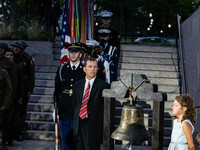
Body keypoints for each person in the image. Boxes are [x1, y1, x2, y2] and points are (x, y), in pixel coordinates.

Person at [73, 57, 109, 150]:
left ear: (97, 69)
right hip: (79, 125)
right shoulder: (77, 85)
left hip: (94, 127)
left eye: (95, 67)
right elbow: (75, 104)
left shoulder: (104, 86)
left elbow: (105, 109)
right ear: (84, 69)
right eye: (90, 67)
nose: (92, 69)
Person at [54, 43, 85, 150]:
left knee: (78, 139)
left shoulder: (85, 70)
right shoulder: (62, 69)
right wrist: (55, 106)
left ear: (80, 54)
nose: (73, 54)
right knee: (65, 138)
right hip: (64, 108)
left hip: (79, 109)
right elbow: (57, 89)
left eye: (75, 52)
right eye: (71, 52)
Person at [11, 41, 35, 141]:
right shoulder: (11, 57)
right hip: (13, 88)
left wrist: (30, 89)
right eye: (15, 47)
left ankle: (19, 131)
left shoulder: (27, 59)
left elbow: (31, 76)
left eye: (18, 47)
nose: (16, 49)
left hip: (23, 88)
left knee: (21, 112)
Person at [0, 68, 13, 150]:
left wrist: (5, 103)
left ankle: (4, 142)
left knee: (3, 125)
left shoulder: (3, 73)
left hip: (1, 104)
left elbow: (9, 89)